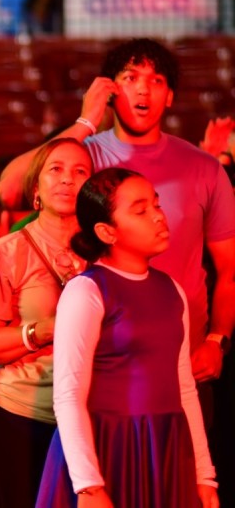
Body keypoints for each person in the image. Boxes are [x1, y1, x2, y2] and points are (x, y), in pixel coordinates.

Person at [0, 38, 235, 404]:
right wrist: (85, 122)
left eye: (157, 80)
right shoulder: (84, 159)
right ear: (109, 90)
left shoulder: (204, 168)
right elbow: (10, 189)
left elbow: (229, 269)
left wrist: (217, 340)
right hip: (103, 366)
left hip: (184, 368)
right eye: (130, 77)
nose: (143, 89)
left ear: (170, 97)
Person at [36, 168, 218, 508]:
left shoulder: (171, 289)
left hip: (165, 448)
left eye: (156, 205)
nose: (158, 216)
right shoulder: (87, 290)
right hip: (108, 448)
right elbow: (69, 394)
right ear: (107, 231)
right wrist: (88, 485)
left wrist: (204, 474)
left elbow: (184, 387)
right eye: (140, 210)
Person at [0, 137, 91, 507]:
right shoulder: (7, 251)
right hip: (22, 415)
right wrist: (43, 331)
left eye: (80, 172)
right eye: (56, 169)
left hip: (93, 418)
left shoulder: (108, 251)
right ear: (35, 189)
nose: (67, 179)